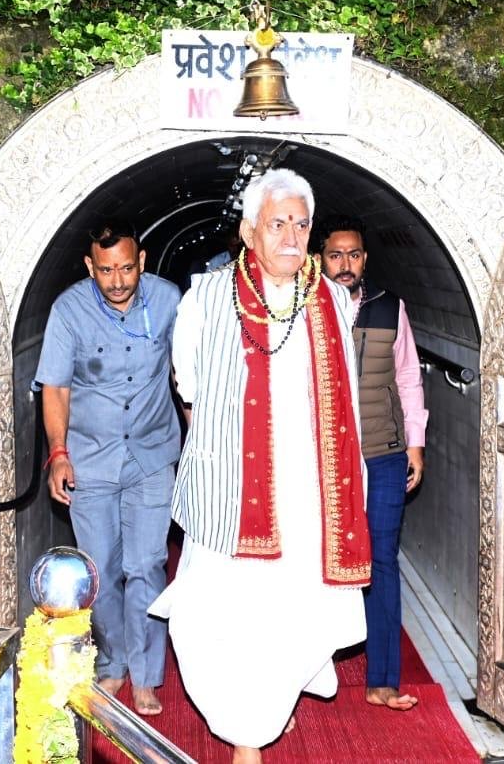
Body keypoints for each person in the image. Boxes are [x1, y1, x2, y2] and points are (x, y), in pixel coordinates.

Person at [151, 169, 370, 763]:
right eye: (277, 224)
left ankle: (266, 709)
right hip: (233, 498)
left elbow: (346, 398)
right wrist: (229, 456)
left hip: (310, 500)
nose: (292, 236)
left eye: (301, 224)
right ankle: (248, 728)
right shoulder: (206, 298)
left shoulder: (332, 298)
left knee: (292, 618)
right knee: (225, 619)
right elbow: (189, 390)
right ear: (250, 231)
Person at [34, 218, 181, 716]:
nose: (117, 281)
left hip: (152, 455)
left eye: (126, 268)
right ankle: (114, 662)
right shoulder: (68, 310)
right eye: (105, 271)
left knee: (147, 565)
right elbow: (56, 388)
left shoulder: (168, 301)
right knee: (100, 570)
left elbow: (187, 373)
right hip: (90, 459)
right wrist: (58, 454)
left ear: (142, 261)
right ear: (88, 266)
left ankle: (145, 675)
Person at [314, 213, 429, 712]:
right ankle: (304, 678)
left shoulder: (389, 308)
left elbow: (408, 378)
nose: (346, 264)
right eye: (336, 255)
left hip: (383, 454)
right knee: (318, 563)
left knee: (382, 559)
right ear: (320, 259)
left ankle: (382, 679)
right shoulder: (305, 311)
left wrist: (416, 444)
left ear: (365, 258)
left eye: (354, 255)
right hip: (325, 460)